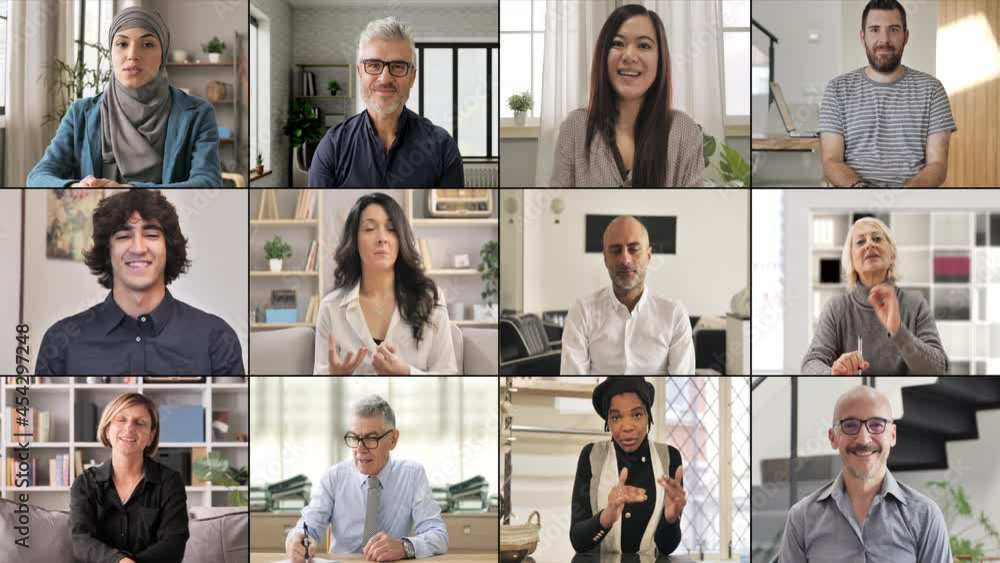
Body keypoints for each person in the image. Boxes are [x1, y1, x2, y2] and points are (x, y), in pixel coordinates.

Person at [35, 189, 244, 375]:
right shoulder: (61, 342)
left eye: (151, 234)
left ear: (168, 248)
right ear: (107, 251)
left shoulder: (216, 338)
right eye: (124, 236)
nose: (138, 248)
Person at [27, 6, 222, 187]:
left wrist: (130, 190)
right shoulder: (80, 113)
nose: (133, 54)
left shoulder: (198, 113)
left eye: (147, 44)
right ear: (111, 52)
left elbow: (208, 182)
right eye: (122, 43)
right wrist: (74, 187)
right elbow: (38, 177)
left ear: (162, 54)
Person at [779, 385, 952, 562]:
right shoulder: (801, 518)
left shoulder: (925, 516)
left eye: (876, 425)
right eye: (850, 425)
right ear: (833, 437)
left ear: (892, 435)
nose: (863, 438)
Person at [550, 4, 703, 187]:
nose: (629, 55)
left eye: (644, 45)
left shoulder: (685, 131)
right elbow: (560, 207)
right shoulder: (575, 128)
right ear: (603, 56)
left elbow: (692, 212)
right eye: (617, 44)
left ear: (660, 60)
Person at [286, 395, 448, 562]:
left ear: (393, 439)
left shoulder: (412, 475)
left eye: (371, 438)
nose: (360, 449)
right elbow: (308, 527)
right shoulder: (334, 477)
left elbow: (438, 536)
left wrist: (404, 547)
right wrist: (297, 540)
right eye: (355, 438)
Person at [308, 16, 464, 187]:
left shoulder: (442, 147)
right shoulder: (331, 147)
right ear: (360, 73)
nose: (384, 78)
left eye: (397, 66)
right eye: (374, 65)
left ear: (412, 77)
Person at [314, 192, 457, 375]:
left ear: (401, 239)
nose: (382, 238)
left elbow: (449, 377)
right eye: (369, 229)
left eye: (391, 228)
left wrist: (407, 374)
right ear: (354, 241)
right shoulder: (331, 307)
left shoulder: (429, 300)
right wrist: (335, 379)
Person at [819, 0, 956, 187]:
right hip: (854, 194)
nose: (884, 40)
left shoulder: (932, 90)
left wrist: (903, 199)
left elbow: (937, 165)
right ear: (862, 37)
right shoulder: (837, 89)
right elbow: (831, 161)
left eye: (893, 29)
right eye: (875, 29)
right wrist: (862, 191)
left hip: (912, 199)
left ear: (905, 37)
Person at [801, 216, 947, 375]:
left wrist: (898, 331)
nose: (870, 244)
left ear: (892, 256)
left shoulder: (915, 304)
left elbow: (938, 368)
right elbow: (810, 364)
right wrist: (833, 373)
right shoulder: (836, 308)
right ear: (852, 261)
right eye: (860, 242)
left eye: (877, 238)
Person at [561, 215, 694, 374]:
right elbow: (572, 375)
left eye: (634, 249)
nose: (625, 259)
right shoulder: (583, 311)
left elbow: (681, 381)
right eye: (616, 250)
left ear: (649, 255)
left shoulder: (674, 315)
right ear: (605, 259)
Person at [570, 378, 685, 555]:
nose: (627, 427)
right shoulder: (591, 456)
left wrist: (671, 521)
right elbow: (578, 542)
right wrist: (607, 516)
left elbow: (667, 548)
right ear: (608, 422)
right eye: (616, 417)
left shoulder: (669, 458)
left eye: (637, 414)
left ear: (649, 416)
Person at [71, 393, 189, 563]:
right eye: (121, 419)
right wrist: (118, 561)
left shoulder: (170, 482)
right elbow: (81, 541)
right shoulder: (85, 484)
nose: (129, 428)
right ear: (107, 429)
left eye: (140, 423)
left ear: (150, 436)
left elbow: (174, 543)